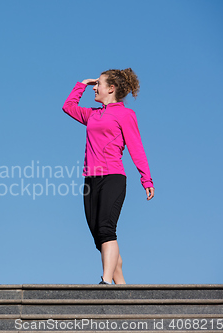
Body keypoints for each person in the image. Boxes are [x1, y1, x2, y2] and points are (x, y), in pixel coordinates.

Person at [62, 69, 154, 284]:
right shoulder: (93, 114)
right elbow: (68, 107)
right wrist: (82, 84)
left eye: (98, 84)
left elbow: (136, 147)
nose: (95, 88)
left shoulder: (125, 114)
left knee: (106, 229)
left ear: (111, 89)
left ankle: (105, 281)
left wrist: (146, 178)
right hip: (90, 180)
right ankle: (121, 287)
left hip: (113, 177)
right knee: (99, 236)